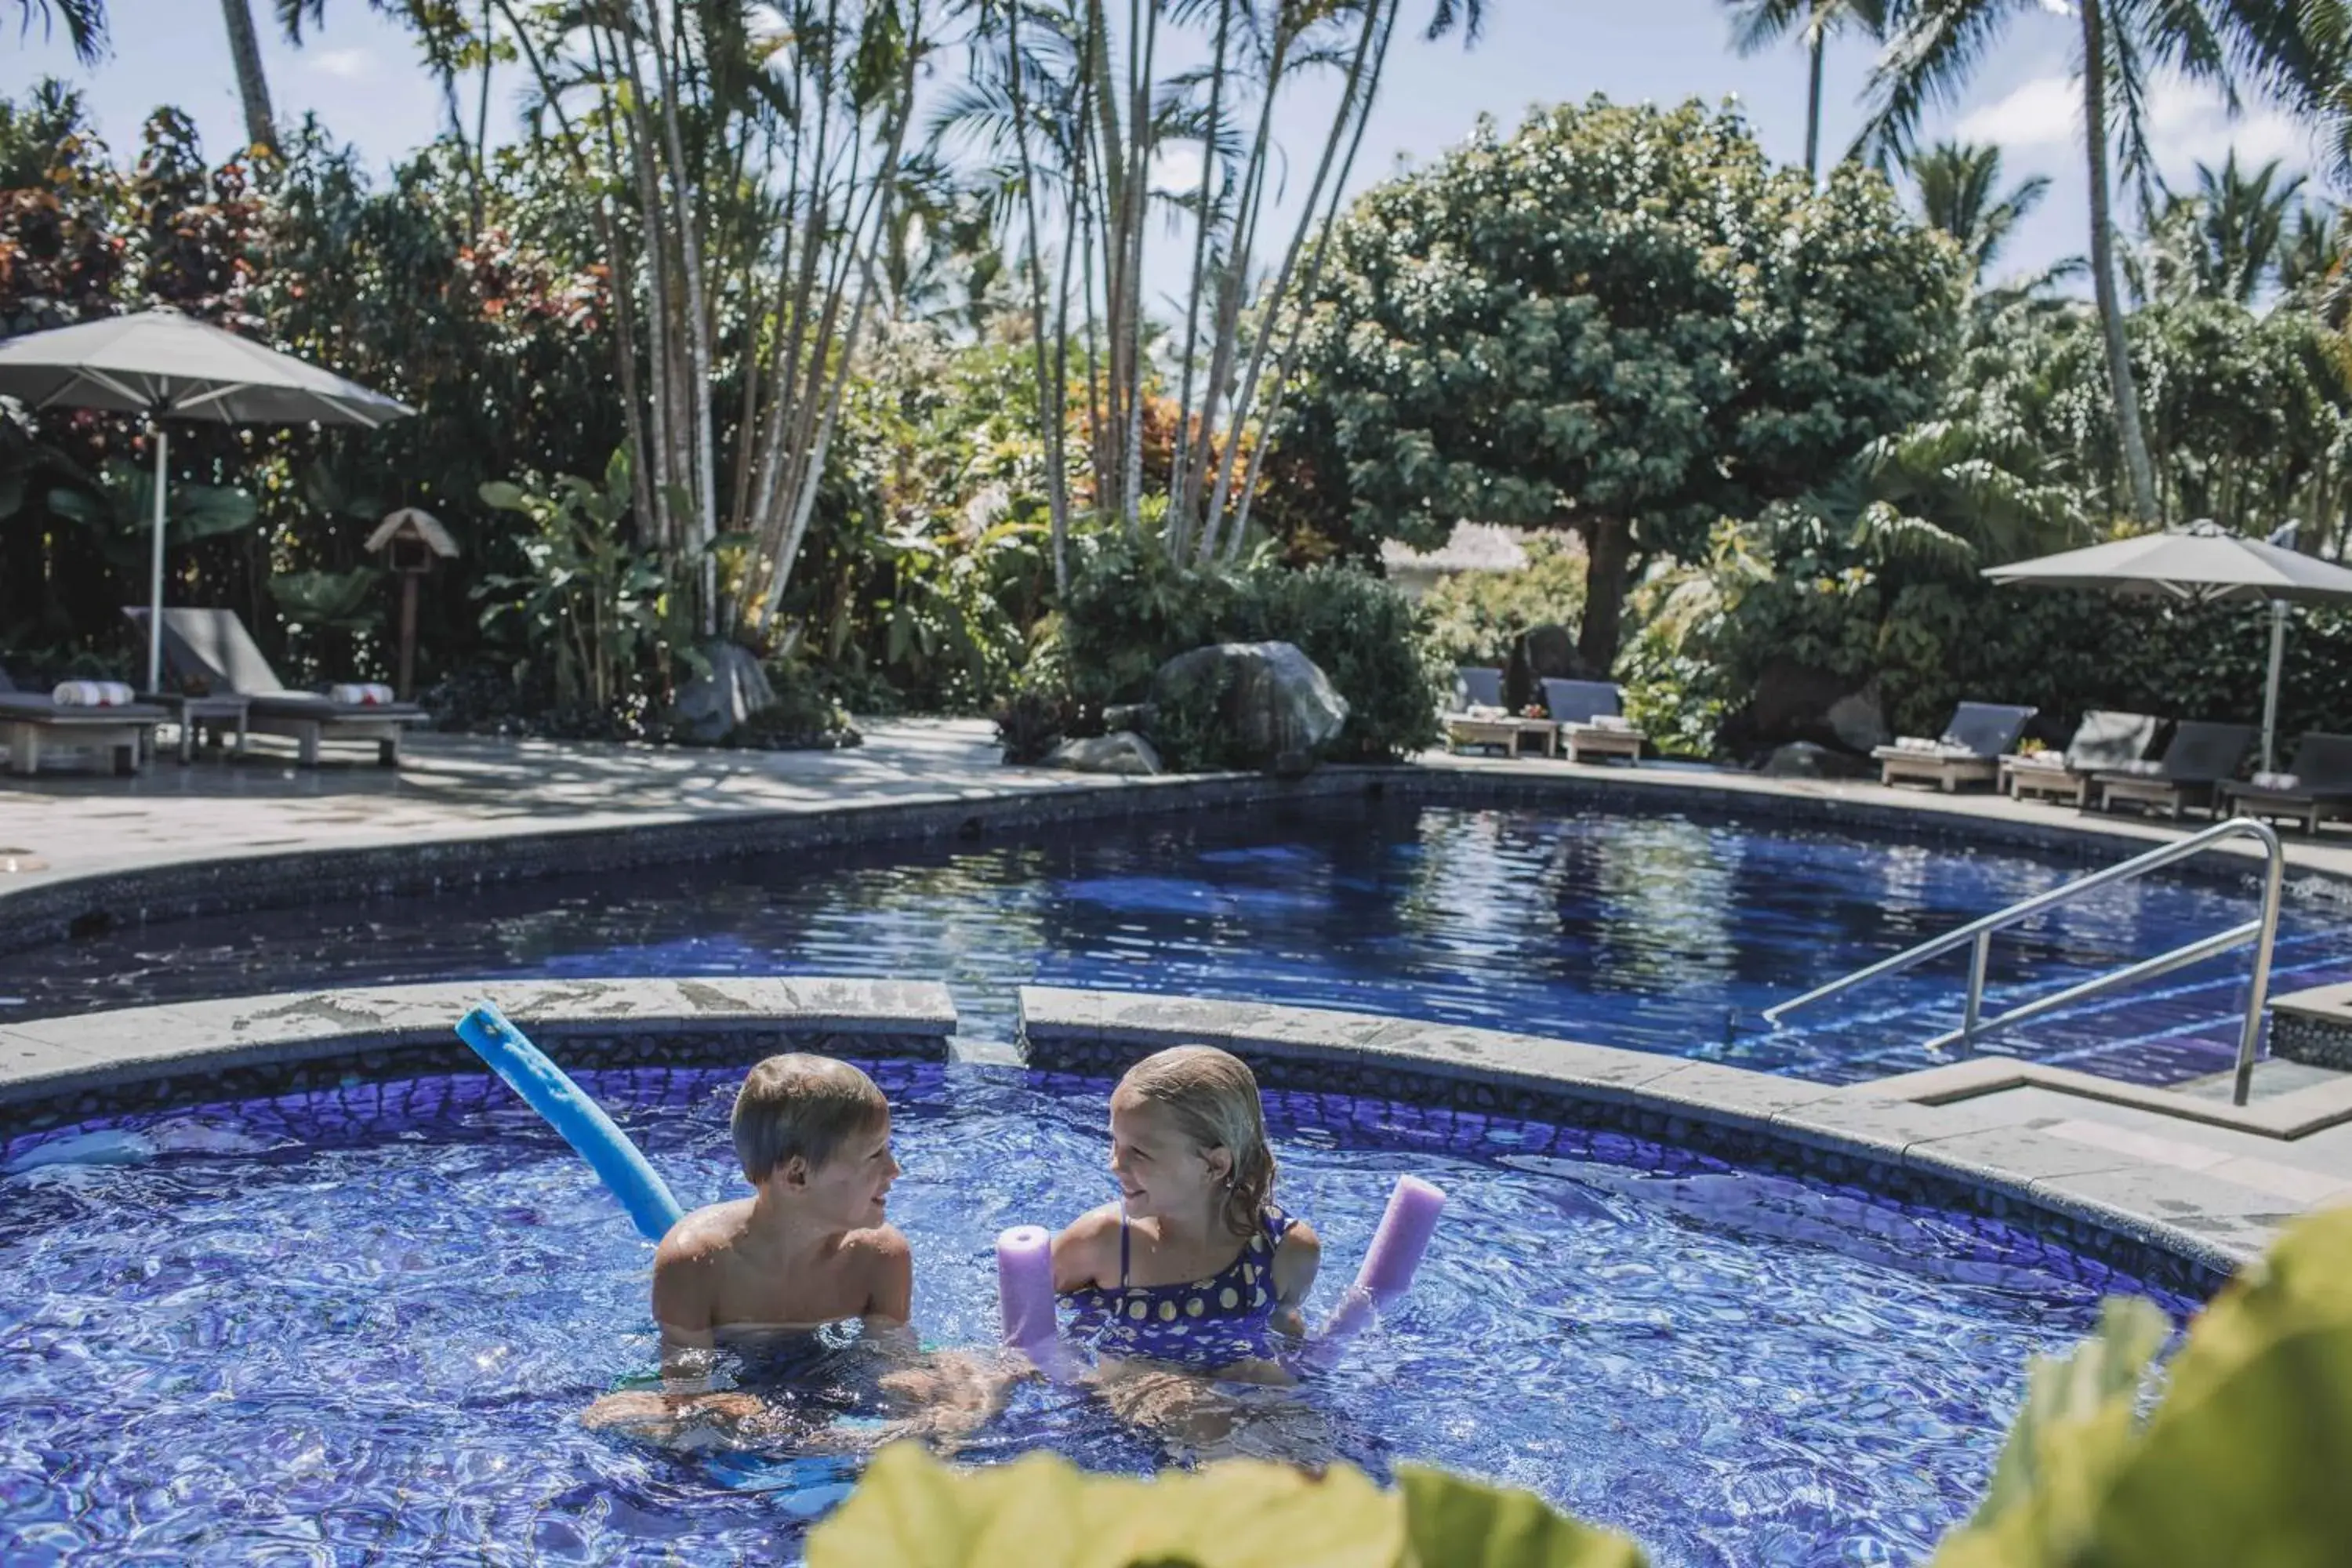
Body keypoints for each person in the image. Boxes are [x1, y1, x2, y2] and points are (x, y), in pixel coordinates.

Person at [583, 1054, 993, 1449]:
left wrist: (911, 1390)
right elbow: (686, 1380)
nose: (894, 1169)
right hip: (741, 1386)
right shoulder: (695, 1261)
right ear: (797, 1174)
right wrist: (708, 1406)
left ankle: (832, 1448)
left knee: (966, 1381)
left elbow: (891, 1357)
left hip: (830, 1374)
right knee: (617, 1418)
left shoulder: (881, 1256)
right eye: (875, 1154)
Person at [1051, 1046, 1328, 1460]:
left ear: (1214, 1165)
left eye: (1138, 1152)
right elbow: (1025, 1319)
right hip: (1140, 1381)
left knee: (1313, 1438)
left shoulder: (1284, 1249)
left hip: (1234, 1372)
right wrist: (1075, 1377)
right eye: (1115, 1143)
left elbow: (1283, 1324)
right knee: (1201, 1415)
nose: (1114, 1165)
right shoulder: (1105, 1242)